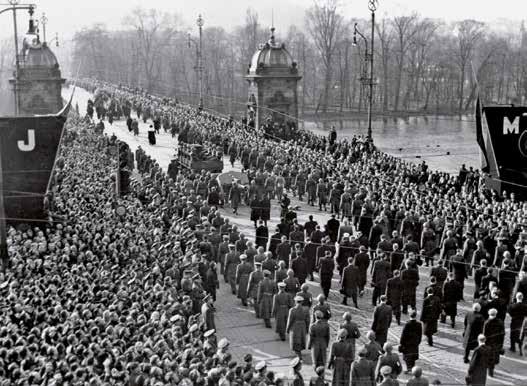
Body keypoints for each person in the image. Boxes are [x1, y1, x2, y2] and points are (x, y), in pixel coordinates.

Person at [483, 308, 505, 377]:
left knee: (488, 357)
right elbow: (502, 334)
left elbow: (484, 334)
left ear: (489, 314)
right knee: (494, 357)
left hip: (488, 343)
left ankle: (490, 370)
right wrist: (501, 344)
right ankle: (491, 370)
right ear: (496, 314)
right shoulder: (500, 322)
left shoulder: (486, 322)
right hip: (497, 343)